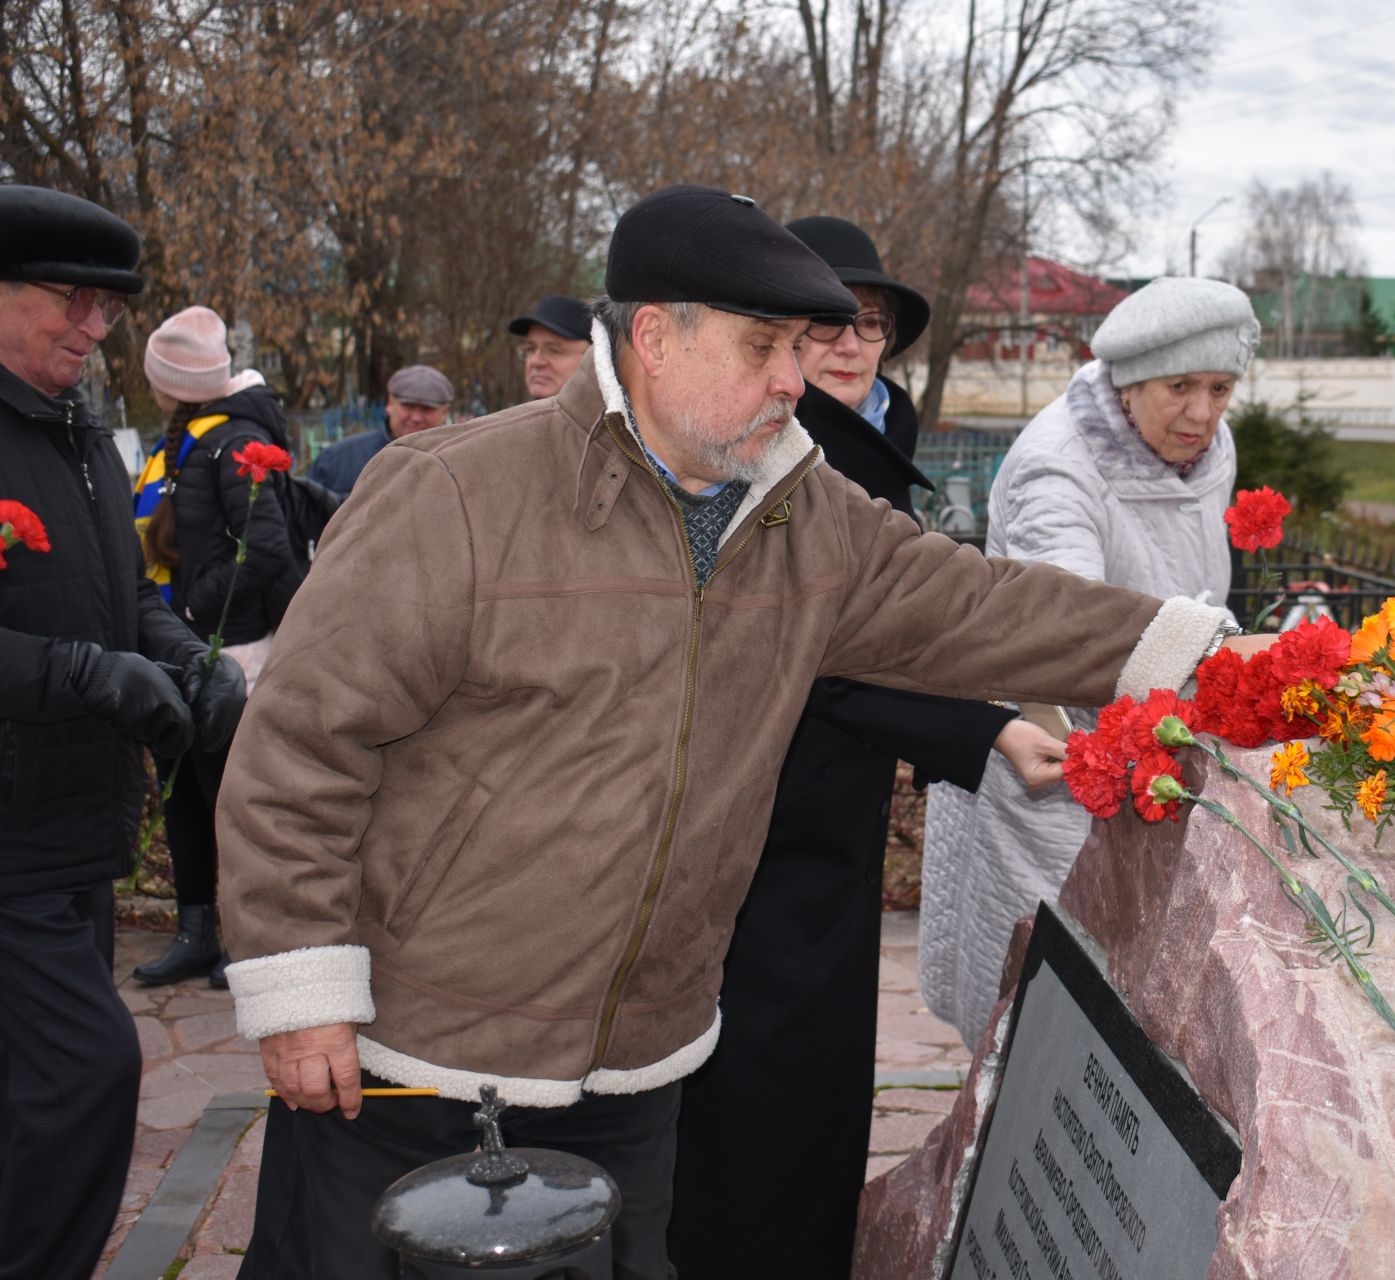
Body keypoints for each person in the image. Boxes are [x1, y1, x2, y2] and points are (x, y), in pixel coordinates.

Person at [215, 185, 1262, 1280]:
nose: (794, 379)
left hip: (639, 1071)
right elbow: (302, 749)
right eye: (764, 345)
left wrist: (1217, 661)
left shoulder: (800, 513)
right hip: (422, 1060)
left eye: (800, 348)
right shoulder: (457, 492)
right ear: (656, 335)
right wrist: (301, 989)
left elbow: (986, 607)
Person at [666, 215, 1066, 1279]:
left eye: (871, 323)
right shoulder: (763, 452)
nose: (851, 344)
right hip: (760, 821)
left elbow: (917, 616)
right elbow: (825, 658)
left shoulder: (868, 433)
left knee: (815, 1083)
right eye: (825, 323)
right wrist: (985, 729)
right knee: (759, 1091)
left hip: (828, 820)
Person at [0, 184, 246, 1280]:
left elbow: (122, 596)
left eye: (107, 308)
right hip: (8, 845)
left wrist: (189, 655)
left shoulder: (82, 434)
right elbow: (78, 648)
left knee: (29, 1100)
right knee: (86, 1077)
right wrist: (91, 673)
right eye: (71, 300)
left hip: (79, 829)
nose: (96, 329)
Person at [919, 276, 1258, 1047]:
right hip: (1055, 753)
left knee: (1129, 999)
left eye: (1221, 387)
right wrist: (1226, 662)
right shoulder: (1057, 468)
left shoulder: (1207, 446)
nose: (1202, 414)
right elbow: (1064, 632)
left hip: (1160, 734)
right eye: (1181, 387)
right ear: (1130, 383)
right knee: (1039, 996)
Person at [130, 305, 304, 989]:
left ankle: (244, 935)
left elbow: (263, 548)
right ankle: (196, 929)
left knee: (228, 798)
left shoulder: (231, 441)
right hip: (183, 647)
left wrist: (193, 609)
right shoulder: (182, 441)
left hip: (228, 653)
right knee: (182, 795)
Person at [306, 363, 454, 495]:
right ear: (390, 404)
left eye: (427, 409)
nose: (416, 417)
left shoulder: (457, 463)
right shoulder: (338, 461)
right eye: (408, 406)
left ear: (445, 412)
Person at [508, 294, 592, 400]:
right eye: (530, 349)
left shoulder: (611, 416)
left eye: (554, 351)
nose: (536, 361)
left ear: (592, 359)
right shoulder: (512, 416)